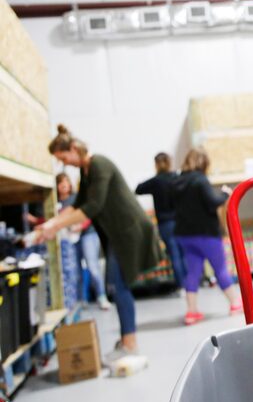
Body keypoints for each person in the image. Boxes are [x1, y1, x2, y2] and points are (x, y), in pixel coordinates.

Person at [35, 125, 161, 367]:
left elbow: (92, 207)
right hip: (116, 235)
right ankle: (127, 341)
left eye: (63, 158)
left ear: (73, 149)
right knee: (116, 286)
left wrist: (55, 227)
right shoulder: (86, 171)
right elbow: (79, 203)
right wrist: (51, 224)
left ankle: (130, 344)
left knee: (119, 286)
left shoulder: (99, 164)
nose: (64, 164)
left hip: (128, 232)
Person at [172, 147, 241, 325]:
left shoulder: (177, 181)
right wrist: (225, 194)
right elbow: (212, 202)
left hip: (184, 235)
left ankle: (191, 312)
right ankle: (235, 303)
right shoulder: (200, 181)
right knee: (220, 269)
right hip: (206, 235)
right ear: (204, 163)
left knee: (193, 272)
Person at [55, 172, 109, 310]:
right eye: (61, 182)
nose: (64, 185)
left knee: (92, 266)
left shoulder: (77, 198)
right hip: (69, 239)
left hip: (87, 234)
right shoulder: (56, 203)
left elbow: (88, 214)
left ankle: (101, 296)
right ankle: (81, 300)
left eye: (66, 181)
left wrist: (80, 226)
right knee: (75, 270)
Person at [136, 152, 187, 290]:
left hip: (165, 223)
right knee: (183, 253)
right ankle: (191, 285)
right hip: (180, 220)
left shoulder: (156, 181)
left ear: (156, 164)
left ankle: (181, 286)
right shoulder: (177, 177)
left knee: (174, 254)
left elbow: (138, 189)